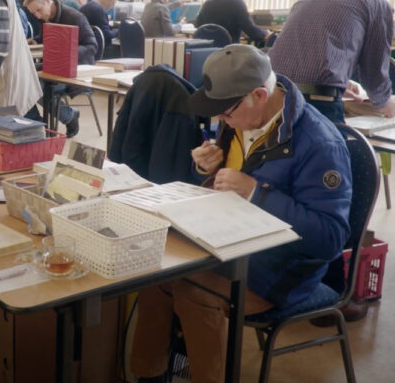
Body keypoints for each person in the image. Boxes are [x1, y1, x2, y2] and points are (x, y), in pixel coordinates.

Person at [130, 44, 352, 383]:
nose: (221, 120)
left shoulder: (320, 145)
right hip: (227, 242)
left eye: (226, 113)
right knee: (152, 276)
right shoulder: (243, 117)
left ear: (259, 94)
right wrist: (204, 169)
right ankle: (149, 376)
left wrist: (255, 192)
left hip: (283, 269)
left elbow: (331, 240)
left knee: (193, 292)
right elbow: (224, 185)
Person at [269, 0, 395, 123]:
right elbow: (374, 64)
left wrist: (337, 82)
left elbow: (304, 47)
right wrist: (384, 100)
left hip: (273, 91)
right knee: (337, 146)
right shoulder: (376, 3)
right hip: (318, 100)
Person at [25, 0, 99, 136]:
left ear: (47, 0)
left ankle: (69, 116)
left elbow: (92, 47)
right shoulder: (46, 17)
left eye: (39, 10)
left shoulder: (75, 17)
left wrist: (68, 52)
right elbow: (50, 39)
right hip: (54, 67)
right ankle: (39, 125)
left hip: (76, 69)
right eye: (34, 14)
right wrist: (36, 41)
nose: (38, 16)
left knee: (37, 89)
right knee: (24, 85)